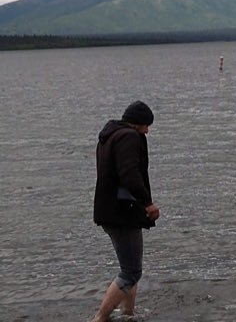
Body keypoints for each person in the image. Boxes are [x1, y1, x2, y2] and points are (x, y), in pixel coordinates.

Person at [91, 100, 160, 322]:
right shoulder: (129, 137)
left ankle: (128, 315)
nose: (147, 131)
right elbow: (129, 173)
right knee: (131, 272)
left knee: (131, 269)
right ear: (137, 122)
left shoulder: (108, 136)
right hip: (122, 212)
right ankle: (100, 318)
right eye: (146, 125)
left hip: (110, 210)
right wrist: (148, 203)